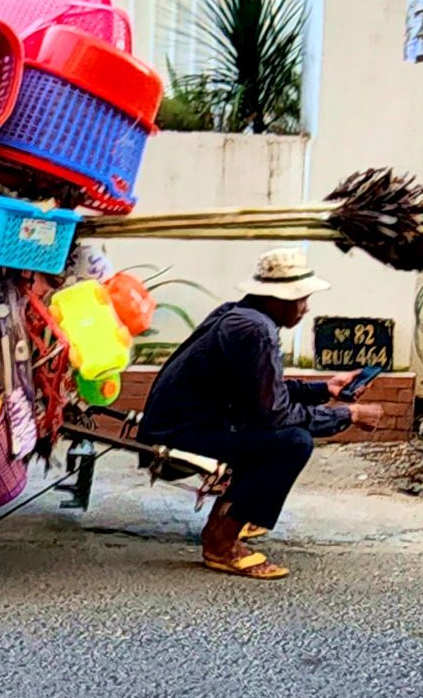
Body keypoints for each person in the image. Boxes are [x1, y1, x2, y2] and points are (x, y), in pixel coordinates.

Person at [137, 248, 384, 580]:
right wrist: (346, 416)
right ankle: (221, 543)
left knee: (276, 434)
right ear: (277, 300)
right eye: (302, 299)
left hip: (181, 425)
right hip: (180, 435)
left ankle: (238, 515)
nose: (306, 307)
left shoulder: (239, 314)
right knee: (293, 442)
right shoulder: (256, 330)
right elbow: (276, 414)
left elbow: (263, 392)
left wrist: (325, 389)